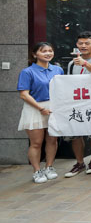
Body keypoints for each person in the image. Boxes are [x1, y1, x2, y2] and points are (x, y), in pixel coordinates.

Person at [17, 42, 63, 183]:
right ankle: (37, 171)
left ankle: (49, 167)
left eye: (50, 50)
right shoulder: (27, 72)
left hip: (53, 108)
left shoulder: (58, 70)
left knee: (52, 140)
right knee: (36, 143)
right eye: (43, 51)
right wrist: (40, 108)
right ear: (35, 54)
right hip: (35, 108)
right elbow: (24, 94)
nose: (48, 53)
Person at [64, 31, 91, 178]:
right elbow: (68, 83)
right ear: (77, 45)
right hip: (76, 102)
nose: (83, 46)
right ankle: (79, 162)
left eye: (87, 43)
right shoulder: (71, 63)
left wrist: (85, 64)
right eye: (80, 43)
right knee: (76, 134)